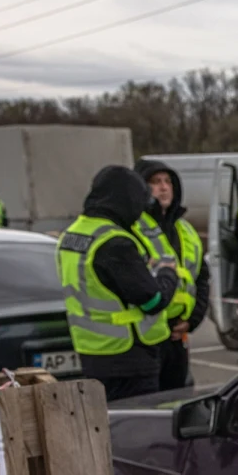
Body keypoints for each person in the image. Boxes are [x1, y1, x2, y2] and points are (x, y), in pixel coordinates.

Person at [55, 166, 179, 401]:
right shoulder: (114, 243)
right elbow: (153, 300)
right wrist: (166, 273)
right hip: (129, 359)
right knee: (138, 430)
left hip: (92, 352)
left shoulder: (72, 234)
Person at [131, 160, 210, 391]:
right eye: (155, 182)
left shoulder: (185, 230)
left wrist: (193, 319)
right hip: (146, 337)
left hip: (178, 337)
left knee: (178, 403)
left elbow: (201, 279)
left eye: (168, 181)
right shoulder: (132, 227)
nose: (164, 187)